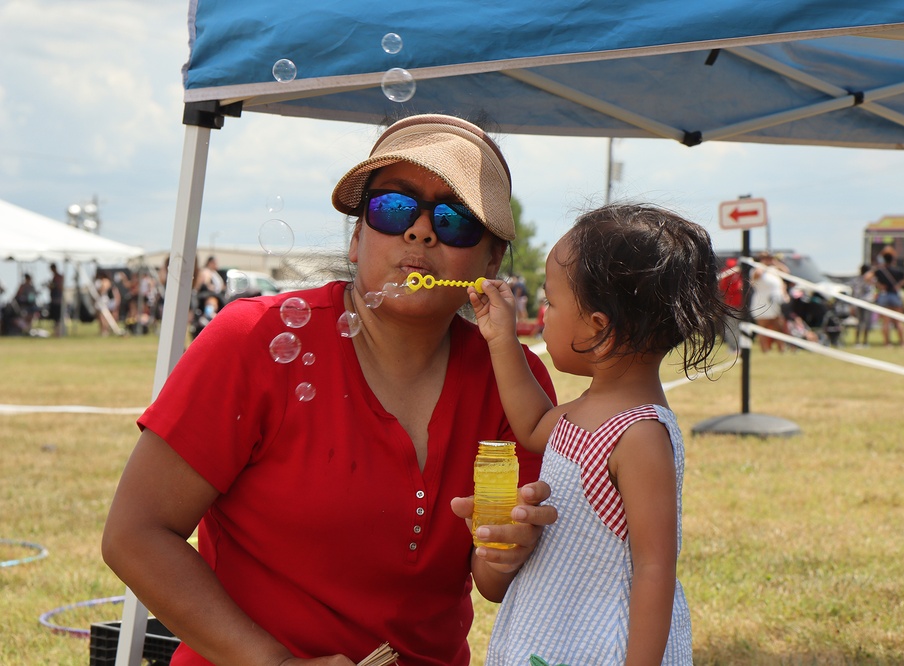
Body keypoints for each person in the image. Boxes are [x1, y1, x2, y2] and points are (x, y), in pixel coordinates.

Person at [102, 113, 559, 666]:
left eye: (454, 219)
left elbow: (491, 580)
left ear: (490, 260)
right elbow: (136, 532)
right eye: (393, 208)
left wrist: (504, 553)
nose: (419, 232)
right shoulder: (253, 341)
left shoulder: (513, 382)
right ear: (357, 237)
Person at [469, 203, 733, 665]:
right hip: (557, 627)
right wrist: (501, 339)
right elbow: (532, 426)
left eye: (551, 302)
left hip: (600, 642)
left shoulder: (639, 434)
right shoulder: (586, 409)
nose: (544, 314)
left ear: (599, 330)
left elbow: (655, 569)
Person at [864, 247, 904, 347]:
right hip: (895, 295)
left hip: (884, 295)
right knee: (899, 321)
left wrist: (878, 284)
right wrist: (900, 284)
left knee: (886, 321)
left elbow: (867, 277)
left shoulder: (879, 270)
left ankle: (887, 343)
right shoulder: (898, 270)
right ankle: (903, 343)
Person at [748, 251, 788, 353]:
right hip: (762, 302)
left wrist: (775, 263)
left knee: (778, 326)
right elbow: (757, 275)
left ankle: (781, 349)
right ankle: (765, 350)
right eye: (766, 258)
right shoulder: (755, 269)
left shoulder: (773, 270)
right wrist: (762, 265)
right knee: (763, 328)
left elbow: (786, 272)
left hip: (775, 302)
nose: (768, 260)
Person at [46, 263, 65, 336]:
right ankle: (56, 332)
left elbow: (60, 287)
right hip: (54, 299)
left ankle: (58, 332)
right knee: (55, 318)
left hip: (58, 300)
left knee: (57, 318)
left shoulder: (58, 277)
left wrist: (53, 286)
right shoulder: (55, 277)